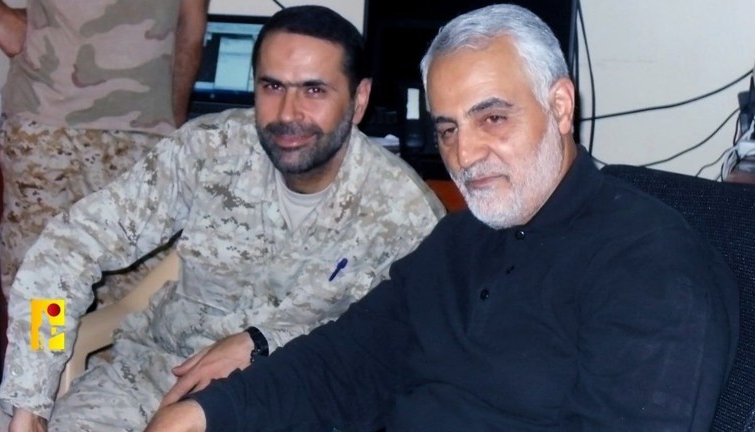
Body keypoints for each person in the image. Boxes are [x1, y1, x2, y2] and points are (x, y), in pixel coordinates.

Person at [146, 4, 740, 432]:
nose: (465, 154)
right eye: (448, 128)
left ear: (559, 106)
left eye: (493, 118)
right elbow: (349, 360)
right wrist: (205, 414)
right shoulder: (462, 237)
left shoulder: (651, 271)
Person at [0, 5, 445, 432]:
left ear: (359, 99)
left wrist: (262, 341)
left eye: (314, 90)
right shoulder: (209, 150)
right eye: (273, 87)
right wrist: (30, 400)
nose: (288, 114)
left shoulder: (404, 214)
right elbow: (66, 251)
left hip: (286, 402)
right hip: (153, 377)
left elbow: (406, 346)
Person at [0, 0, 209, 304]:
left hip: (138, 135)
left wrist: (169, 129)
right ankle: (47, 335)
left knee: (130, 298)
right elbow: (191, 31)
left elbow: (191, 29)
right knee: (47, 293)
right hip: (48, 127)